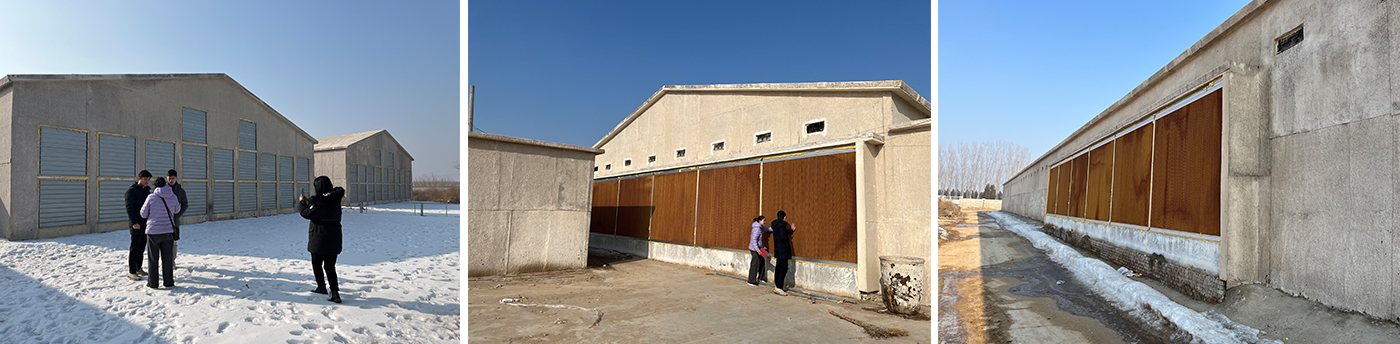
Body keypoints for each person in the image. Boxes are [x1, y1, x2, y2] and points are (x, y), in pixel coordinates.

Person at [298, 176, 345, 303]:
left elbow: (307, 214)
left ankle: (321, 287)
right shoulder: (334, 198)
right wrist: (310, 204)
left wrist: (302, 203)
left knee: (317, 263)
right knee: (330, 266)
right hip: (334, 237)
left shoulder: (321, 202)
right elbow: (319, 210)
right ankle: (334, 291)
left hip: (319, 237)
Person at [139, 177, 181, 289]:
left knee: (153, 259)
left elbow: (143, 214)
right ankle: (168, 282)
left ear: (155, 186)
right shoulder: (173, 197)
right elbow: (177, 210)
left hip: (153, 232)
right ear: (166, 184)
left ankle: (153, 283)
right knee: (167, 258)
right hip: (168, 231)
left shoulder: (151, 197)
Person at [124, 170, 153, 281]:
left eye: (148, 180)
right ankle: (132, 271)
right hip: (136, 224)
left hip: (145, 223)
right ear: (139, 179)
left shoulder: (147, 191)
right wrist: (134, 222)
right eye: (145, 179)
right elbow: (129, 208)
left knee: (141, 247)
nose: (147, 182)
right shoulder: (131, 191)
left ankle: (138, 268)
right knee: (135, 247)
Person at [770, 210, 797, 296]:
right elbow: (783, 236)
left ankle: (777, 286)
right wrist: (786, 245)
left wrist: (791, 230)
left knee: (779, 268)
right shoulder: (781, 225)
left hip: (778, 250)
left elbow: (783, 233)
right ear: (784, 217)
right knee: (783, 268)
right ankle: (779, 287)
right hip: (783, 251)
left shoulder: (776, 225)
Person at [166, 170, 188, 257]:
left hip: (174, 221)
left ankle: (173, 260)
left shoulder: (181, 191)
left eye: (173, 178)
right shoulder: (162, 189)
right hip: (163, 220)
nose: (171, 180)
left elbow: (185, 204)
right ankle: (164, 261)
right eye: (169, 178)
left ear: (176, 178)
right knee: (163, 242)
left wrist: (178, 215)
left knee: (174, 242)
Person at [747, 215, 772, 286]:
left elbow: (768, 229)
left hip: (759, 248)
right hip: (755, 249)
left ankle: (761, 278)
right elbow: (753, 240)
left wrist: (776, 228)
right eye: (764, 220)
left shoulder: (760, 228)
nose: (765, 222)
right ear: (759, 221)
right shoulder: (757, 229)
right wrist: (757, 250)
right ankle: (751, 280)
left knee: (762, 262)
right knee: (755, 264)